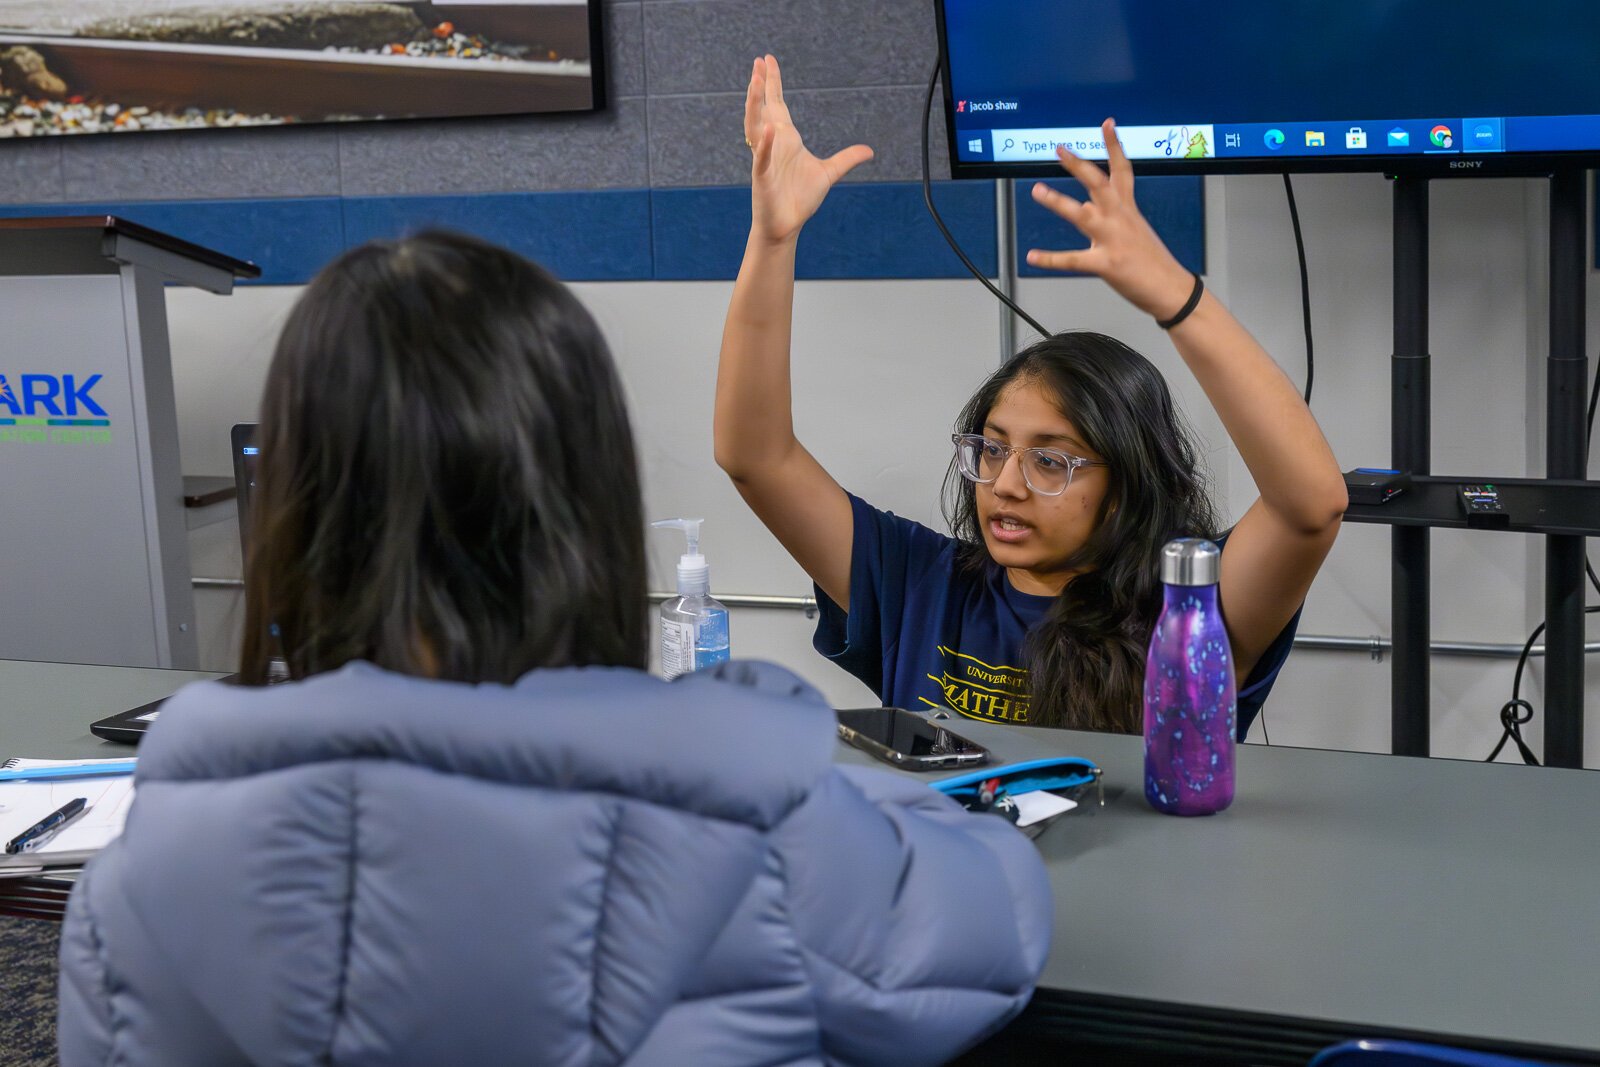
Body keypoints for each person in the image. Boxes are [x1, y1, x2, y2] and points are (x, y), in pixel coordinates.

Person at [56, 231, 1052, 1066]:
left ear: (292, 506)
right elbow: (992, 927)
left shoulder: (131, 887)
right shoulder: (757, 820)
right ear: (585, 500)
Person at [715, 56, 1348, 736]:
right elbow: (755, 455)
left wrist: (1175, 295)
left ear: (1127, 483)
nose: (1005, 484)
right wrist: (773, 240)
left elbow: (1312, 505)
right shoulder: (921, 583)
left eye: (1051, 461)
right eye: (991, 448)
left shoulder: (1185, 613)